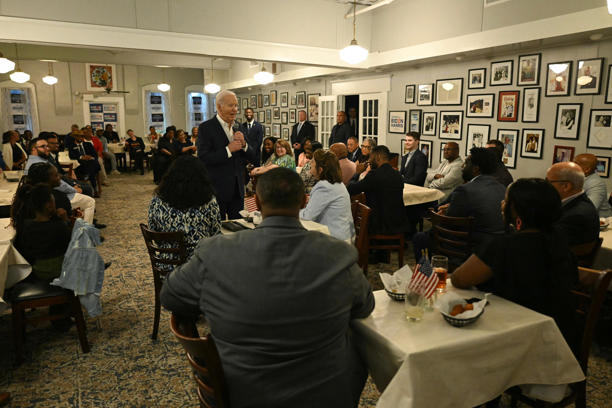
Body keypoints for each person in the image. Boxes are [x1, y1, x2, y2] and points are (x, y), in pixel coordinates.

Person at [160, 168, 374, 408]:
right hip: (324, 396)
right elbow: (365, 305)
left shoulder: (214, 253)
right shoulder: (339, 255)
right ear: (304, 200)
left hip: (240, 394)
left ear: (258, 204)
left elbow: (169, 295)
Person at [451, 178, 577, 348]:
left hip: (517, 336)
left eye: (506, 200)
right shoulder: (560, 239)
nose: (502, 204)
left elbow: (460, 279)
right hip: (560, 333)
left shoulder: (505, 245)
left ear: (517, 210)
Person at [148, 156, 221, 260]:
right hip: (199, 266)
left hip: (168, 264)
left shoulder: (157, 201)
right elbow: (215, 233)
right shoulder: (208, 201)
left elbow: (153, 232)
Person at [197, 90, 255, 220]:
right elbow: (203, 158)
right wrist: (228, 150)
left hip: (238, 190)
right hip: (216, 190)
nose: (235, 109)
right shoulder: (206, 128)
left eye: (236, 106)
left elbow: (253, 157)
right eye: (230, 105)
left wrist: (244, 144)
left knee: (239, 229)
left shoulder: (239, 127)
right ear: (219, 107)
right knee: (218, 231)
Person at [11, 183, 72, 283]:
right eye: (53, 202)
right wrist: (66, 221)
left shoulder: (27, 225)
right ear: (49, 206)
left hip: (37, 270)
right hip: (58, 271)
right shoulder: (59, 226)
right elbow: (71, 245)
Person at [347, 145, 408, 234]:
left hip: (379, 225)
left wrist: (357, 173)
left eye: (371, 157)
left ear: (378, 157)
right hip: (399, 222)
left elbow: (350, 189)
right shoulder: (397, 174)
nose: (369, 161)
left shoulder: (374, 175)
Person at [300, 150, 355, 242]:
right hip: (344, 235)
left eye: (313, 162)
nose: (310, 163)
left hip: (337, 240)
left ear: (320, 169)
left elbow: (307, 216)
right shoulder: (336, 183)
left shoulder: (324, 186)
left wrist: (291, 212)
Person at [546, 162, 599, 246]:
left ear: (566, 186)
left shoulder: (575, 216)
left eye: (548, 182)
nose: (545, 186)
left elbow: (546, 245)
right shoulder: (580, 203)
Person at [574, 153, 612, 217]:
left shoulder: (596, 183)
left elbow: (590, 209)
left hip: (601, 221)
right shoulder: (577, 178)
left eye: (576, 164)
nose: (572, 166)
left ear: (587, 170)